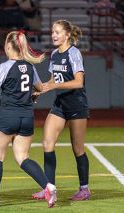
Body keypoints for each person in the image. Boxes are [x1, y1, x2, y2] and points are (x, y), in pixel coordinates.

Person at [0, 30, 57, 208]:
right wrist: (33, 95)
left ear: (7, 46)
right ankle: (48, 185)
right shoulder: (30, 66)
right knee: (23, 158)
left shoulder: (5, 66)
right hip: (27, 117)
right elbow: (39, 87)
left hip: (7, 116)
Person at [32, 19, 91, 201]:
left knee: (78, 148)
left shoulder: (74, 53)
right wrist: (39, 91)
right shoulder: (55, 54)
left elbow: (79, 82)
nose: (53, 35)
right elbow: (51, 81)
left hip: (76, 105)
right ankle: (49, 188)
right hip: (60, 104)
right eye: (52, 32)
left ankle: (84, 189)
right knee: (47, 143)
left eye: (57, 32)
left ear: (67, 35)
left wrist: (55, 84)